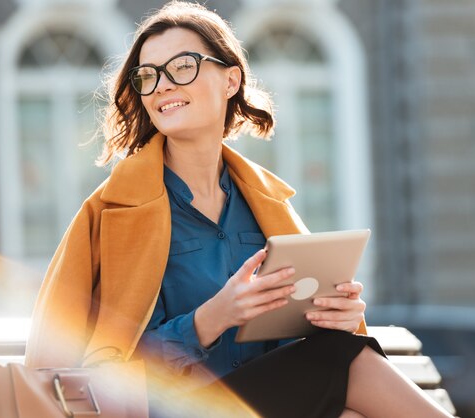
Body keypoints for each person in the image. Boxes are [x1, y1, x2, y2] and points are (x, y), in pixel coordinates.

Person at [25, 2, 453, 417]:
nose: (163, 86)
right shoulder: (112, 213)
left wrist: (333, 318)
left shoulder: (265, 205)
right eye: (148, 76)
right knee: (345, 358)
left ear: (231, 81)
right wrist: (211, 318)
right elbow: (102, 366)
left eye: (183, 66)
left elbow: (287, 350)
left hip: (258, 402)